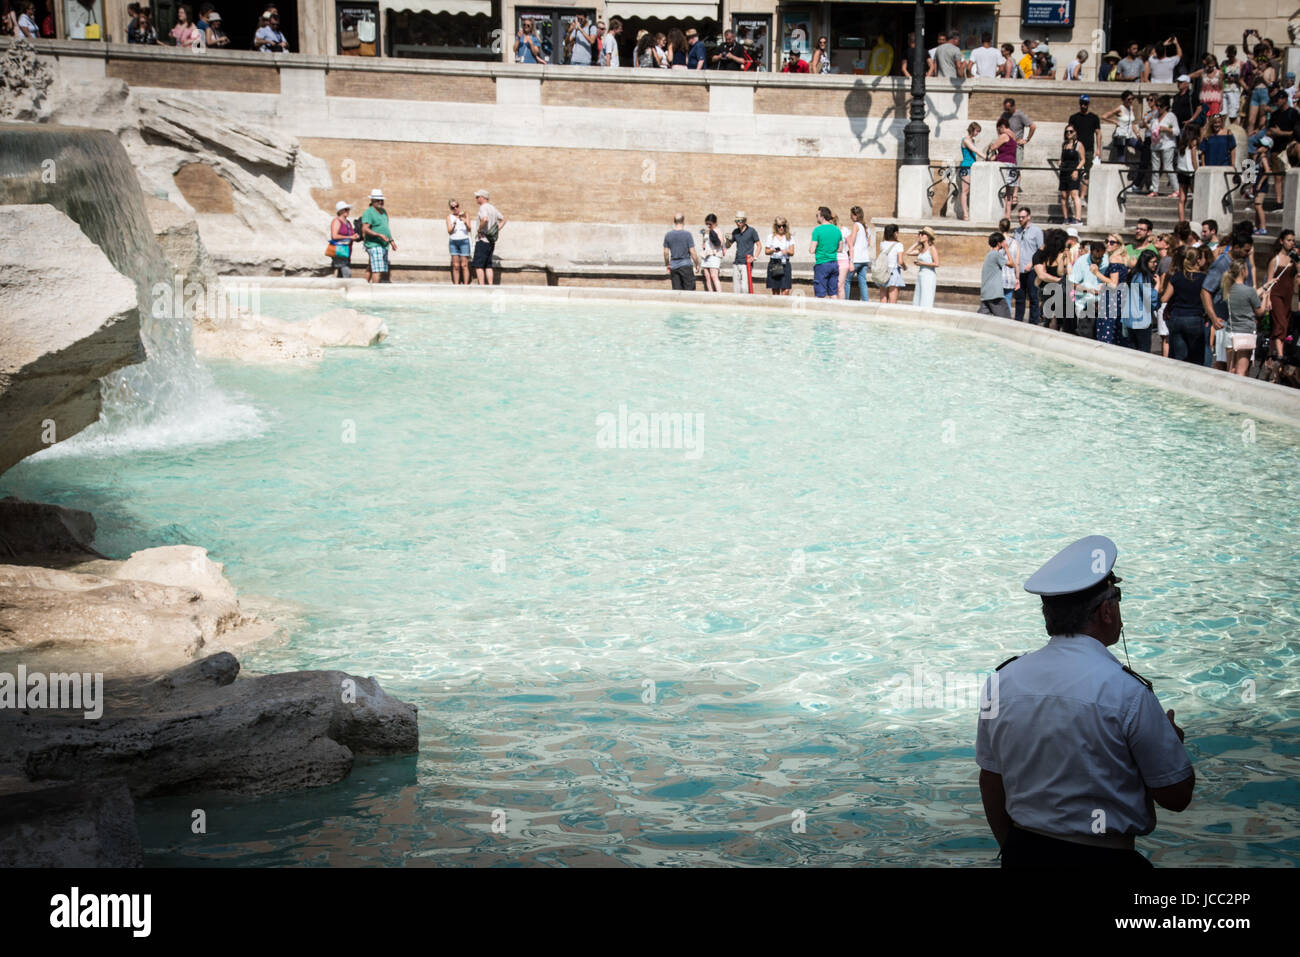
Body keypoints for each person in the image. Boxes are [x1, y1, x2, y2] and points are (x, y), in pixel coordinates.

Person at [977, 535, 1194, 869]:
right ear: (1106, 610)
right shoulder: (1128, 693)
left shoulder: (1001, 682)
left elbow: (991, 780)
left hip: (1022, 854)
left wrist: (1014, 850)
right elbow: (1176, 797)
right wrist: (1170, 745)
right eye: (1117, 598)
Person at [1221, 259, 1269, 375]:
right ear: (1243, 271)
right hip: (1245, 333)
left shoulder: (1228, 289)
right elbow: (1260, 312)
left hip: (1230, 332)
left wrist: (1265, 286)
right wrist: (1266, 297)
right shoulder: (1249, 291)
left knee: (1231, 370)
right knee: (1241, 372)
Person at [1160, 247, 1207, 362]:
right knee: (1196, 358)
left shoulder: (1177, 277)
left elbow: (1165, 298)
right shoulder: (1204, 278)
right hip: (1195, 317)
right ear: (1198, 260)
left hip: (1177, 317)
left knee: (1179, 357)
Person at [1120, 249, 1158, 353]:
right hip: (1141, 320)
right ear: (1146, 262)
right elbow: (1150, 296)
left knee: (1132, 350)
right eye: (1153, 262)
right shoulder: (1143, 276)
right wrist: (1157, 286)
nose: (1155, 264)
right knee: (1143, 350)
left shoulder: (1134, 274)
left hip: (1130, 318)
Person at [1266, 229, 1296, 358]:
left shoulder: (1293, 259)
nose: (1291, 243)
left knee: (1284, 323)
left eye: (1293, 240)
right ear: (1281, 241)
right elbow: (1269, 281)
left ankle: (1271, 355)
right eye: (1289, 240)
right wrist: (1267, 299)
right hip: (1276, 295)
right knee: (1281, 323)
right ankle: (1280, 354)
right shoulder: (1275, 259)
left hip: (1288, 296)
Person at [1011, 207, 1044, 324]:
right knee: (1019, 297)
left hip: (1031, 269)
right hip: (1019, 269)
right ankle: (1018, 321)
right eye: (1019, 217)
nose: (1020, 219)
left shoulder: (1036, 231)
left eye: (1023, 217)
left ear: (1028, 217)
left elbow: (1041, 249)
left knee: (1033, 297)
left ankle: (1033, 322)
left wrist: (1032, 263)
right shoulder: (1017, 231)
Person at [360, 189, 395, 283]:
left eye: (381, 200)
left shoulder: (384, 212)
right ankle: (375, 289)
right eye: (377, 200)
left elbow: (385, 227)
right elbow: (365, 228)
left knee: (372, 266)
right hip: (374, 244)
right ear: (372, 201)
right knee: (377, 269)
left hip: (383, 244)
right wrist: (379, 235)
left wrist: (391, 241)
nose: (380, 202)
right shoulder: (369, 212)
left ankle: (364, 285)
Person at [988, 118, 1019, 220]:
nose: (998, 131)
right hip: (1013, 164)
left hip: (1004, 165)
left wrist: (991, 146)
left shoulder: (1004, 135)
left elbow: (993, 148)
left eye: (998, 129)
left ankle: (1001, 213)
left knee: (1000, 189)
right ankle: (1008, 215)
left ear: (1002, 126)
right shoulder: (1013, 136)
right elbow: (1006, 151)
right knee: (1008, 192)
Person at [1147, 96, 1179, 197]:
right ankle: (1155, 189)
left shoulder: (1171, 116)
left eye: (1160, 106)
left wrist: (1166, 129)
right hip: (1155, 144)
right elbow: (1150, 126)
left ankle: (1176, 189)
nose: (1158, 108)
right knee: (1155, 168)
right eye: (1157, 105)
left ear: (1166, 107)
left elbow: (1177, 131)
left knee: (1168, 166)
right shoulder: (1155, 115)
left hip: (1167, 144)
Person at [472, 189, 504, 286]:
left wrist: (479, 230)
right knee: (488, 265)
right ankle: (490, 285)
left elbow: (484, 219)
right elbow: (503, 219)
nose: (476, 199)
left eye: (477, 197)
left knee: (479, 265)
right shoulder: (493, 208)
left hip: (482, 239)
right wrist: (495, 231)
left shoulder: (483, 208)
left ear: (482, 197)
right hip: (491, 240)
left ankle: (481, 286)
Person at [978, 232, 1013, 318]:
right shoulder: (996, 254)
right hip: (995, 295)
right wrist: (1007, 249)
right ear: (999, 243)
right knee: (1006, 320)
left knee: (982, 321)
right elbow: (1012, 264)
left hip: (986, 294)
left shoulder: (989, 255)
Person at [809, 207, 842, 299]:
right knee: (833, 293)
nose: (816, 218)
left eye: (817, 216)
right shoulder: (837, 230)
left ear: (822, 217)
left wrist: (818, 249)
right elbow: (840, 248)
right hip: (834, 263)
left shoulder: (817, 230)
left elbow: (812, 250)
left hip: (822, 264)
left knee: (820, 294)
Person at [726, 212, 761, 294]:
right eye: (736, 221)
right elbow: (728, 246)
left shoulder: (752, 231)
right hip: (736, 262)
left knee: (745, 288)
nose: (738, 223)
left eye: (740, 220)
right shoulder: (735, 231)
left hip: (746, 263)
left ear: (745, 220)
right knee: (736, 288)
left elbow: (759, 246)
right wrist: (727, 239)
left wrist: (754, 257)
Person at [662, 213, 699, 290]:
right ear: (683, 221)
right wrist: (697, 264)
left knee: (677, 292)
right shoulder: (687, 235)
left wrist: (667, 264)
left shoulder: (668, 235)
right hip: (686, 266)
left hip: (674, 266)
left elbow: (666, 253)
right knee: (690, 291)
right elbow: (692, 252)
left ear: (674, 221)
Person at [1058, 125, 1085, 226]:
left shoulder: (1079, 144)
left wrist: (1076, 170)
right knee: (1064, 195)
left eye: (1071, 131)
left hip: (1073, 170)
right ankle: (1065, 218)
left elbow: (1083, 160)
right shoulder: (1064, 144)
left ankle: (1078, 218)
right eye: (1067, 131)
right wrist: (1060, 161)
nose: (1068, 133)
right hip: (1064, 171)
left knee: (1074, 194)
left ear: (1075, 133)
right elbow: (1062, 157)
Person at [1174, 123, 1200, 224]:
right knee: (1196, 196)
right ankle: (1194, 219)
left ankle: (1182, 221)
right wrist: (1197, 170)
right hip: (1191, 172)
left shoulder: (1182, 142)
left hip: (1181, 171)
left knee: (1182, 198)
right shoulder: (1193, 142)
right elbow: (1194, 159)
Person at [908, 227, 938, 308]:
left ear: (928, 237)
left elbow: (937, 263)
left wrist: (922, 263)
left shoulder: (932, 249)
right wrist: (917, 243)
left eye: (922, 234)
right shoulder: (921, 249)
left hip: (929, 276)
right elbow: (908, 252)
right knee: (918, 297)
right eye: (920, 234)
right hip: (921, 275)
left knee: (926, 297)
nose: (920, 236)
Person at [1000, 97, 1036, 166]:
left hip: (1016, 146)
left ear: (1013, 107)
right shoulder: (1004, 115)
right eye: (1005, 109)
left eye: (1008, 109)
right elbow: (999, 126)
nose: (1006, 111)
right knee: (1006, 167)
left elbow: (1033, 126)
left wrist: (1027, 139)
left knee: (1017, 168)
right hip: (1006, 145)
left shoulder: (1020, 115)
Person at [763, 216, 794, 296]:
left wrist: (786, 251)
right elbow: (766, 251)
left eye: (783, 226)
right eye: (779, 226)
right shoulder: (770, 237)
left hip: (785, 263)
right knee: (775, 289)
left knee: (786, 289)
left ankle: (785, 307)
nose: (781, 228)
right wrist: (773, 250)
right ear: (775, 226)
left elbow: (792, 252)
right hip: (774, 263)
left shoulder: (789, 237)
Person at [847, 206, 872, 302]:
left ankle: (845, 301)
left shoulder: (856, 225)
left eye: (851, 214)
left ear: (855, 215)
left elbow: (852, 241)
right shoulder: (866, 227)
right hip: (865, 258)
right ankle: (866, 302)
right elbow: (868, 243)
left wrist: (847, 238)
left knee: (847, 280)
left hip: (856, 258)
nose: (850, 217)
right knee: (863, 282)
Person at [877, 223, 905, 303]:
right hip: (893, 271)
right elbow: (900, 261)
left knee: (883, 297)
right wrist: (905, 267)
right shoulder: (899, 245)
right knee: (892, 300)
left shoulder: (882, 244)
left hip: (883, 271)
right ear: (895, 233)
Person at [446, 198, 471, 284]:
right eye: (453, 207)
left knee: (464, 265)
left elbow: (469, 229)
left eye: (457, 206)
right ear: (451, 209)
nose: (456, 208)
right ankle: (456, 285)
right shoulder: (449, 217)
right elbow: (449, 231)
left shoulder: (465, 214)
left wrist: (465, 222)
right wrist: (454, 225)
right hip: (453, 242)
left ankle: (466, 285)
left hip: (464, 241)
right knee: (456, 265)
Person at [958, 123, 980, 221]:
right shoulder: (966, 140)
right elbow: (975, 150)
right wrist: (986, 157)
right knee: (965, 191)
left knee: (971, 191)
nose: (978, 133)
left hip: (973, 167)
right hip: (966, 167)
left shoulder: (972, 140)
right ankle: (965, 214)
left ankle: (970, 212)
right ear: (972, 130)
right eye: (977, 131)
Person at [329, 200, 355, 279]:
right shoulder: (337, 221)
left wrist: (355, 236)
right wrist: (349, 237)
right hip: (340, 251)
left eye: (348, 209)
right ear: (340, 211)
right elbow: (334, 236)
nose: (348, 211)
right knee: (347, 274)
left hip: (347, 252)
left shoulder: (348, 222)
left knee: (340, 275)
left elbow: (351, 234)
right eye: (345, 209)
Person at [699, 213, 725, 292]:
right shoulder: (706, 231)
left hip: (714, 255)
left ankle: (719, 295)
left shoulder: (718, 230)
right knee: (707, 276)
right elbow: (704, 243)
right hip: (706, 256)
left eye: (710, 224)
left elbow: (720, 243)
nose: (708, 226)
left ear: (714, 223)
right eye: (706, 223)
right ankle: (710, 294)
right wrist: (703, 245)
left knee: (714, 276)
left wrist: (713, 234)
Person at [999, 217, 1019, 312]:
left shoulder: (996, 241)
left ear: (999, 227)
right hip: (1011, 276)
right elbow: (1017, 262)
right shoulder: (1015, 242)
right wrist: (1018, 278)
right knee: (1007, 302)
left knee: (997, 303)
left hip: (998, 276)